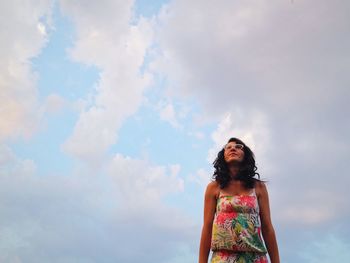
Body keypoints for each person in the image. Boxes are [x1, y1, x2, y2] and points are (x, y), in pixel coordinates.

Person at [199, 137, 280, 263]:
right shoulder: (214, 187)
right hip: (222, 257)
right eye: (228, 147)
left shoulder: (258, 187)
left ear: (245, 155)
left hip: (254, 257)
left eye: (238, 147)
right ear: (223, 156)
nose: (233, 148)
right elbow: (207, 227)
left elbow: (267, 226)